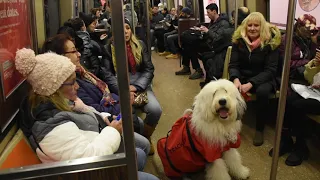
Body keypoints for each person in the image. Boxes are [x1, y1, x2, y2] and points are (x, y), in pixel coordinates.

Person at [14, 48, 159, 180]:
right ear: (54, 88)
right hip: (92, 171)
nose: (77, 86)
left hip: (97, 140)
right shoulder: (50, 126)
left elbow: (88, 115)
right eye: (72, 82)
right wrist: (113, 131)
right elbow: (89, 158)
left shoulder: (63, 102)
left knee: (139, 154)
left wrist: (106, 118)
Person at [108, 19, 162, 155]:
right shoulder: (108, 48)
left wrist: (137, 86)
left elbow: (148, 69)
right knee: (128, 114)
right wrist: (123, 89)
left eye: (127, 28)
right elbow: (107, 74)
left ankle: (146, 136)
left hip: (140, 84)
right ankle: (136, 141)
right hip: (119, 86)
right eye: (121, 28)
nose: (125, 31)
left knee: (155, 110)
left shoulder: (140, 45)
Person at [229, 12, 281, 146]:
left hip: (264, 77)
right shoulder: (238, 41)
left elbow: (271, 70)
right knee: (229, 88)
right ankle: (231, 125)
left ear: (262, 27)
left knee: (263, 92)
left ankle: (259, 128)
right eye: (249, 25)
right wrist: (235, 78)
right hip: (243, 75)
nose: (252, 28)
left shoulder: (271, 42)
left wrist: (251, 83)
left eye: (256, 25)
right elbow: (233, 65)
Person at [269, 50, 320, 166]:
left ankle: (301, 145)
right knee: (287, 100)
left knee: (298, 106)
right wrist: (316, 65)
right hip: (316, 91)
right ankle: (286, 139)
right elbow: (308, 77)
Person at [176, 3, 232, 80]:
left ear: (214, 11)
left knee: (191, 46)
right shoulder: (213, 21)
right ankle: (188, 67)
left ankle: (197, 70)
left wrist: (207, 31)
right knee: (187, 42)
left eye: (208, 12)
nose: (207, 14)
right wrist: (201, 31)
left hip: (214, 46)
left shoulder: (223, 23)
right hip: (208, 42)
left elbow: (217, 38)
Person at [279, 14, 318, 83]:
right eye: (307, 29)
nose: (309, 32)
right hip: (291, 73)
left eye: (312, 30)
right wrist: (307, 61)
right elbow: (285, 63)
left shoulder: (308, 39)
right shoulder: (287, 40)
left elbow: (313, 56)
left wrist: (314, 42)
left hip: (304, 68)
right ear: (299, 27)